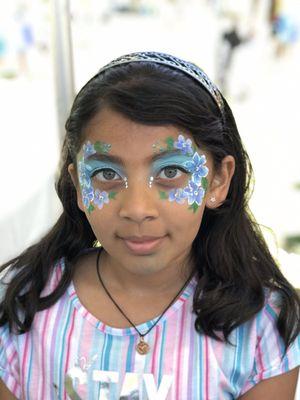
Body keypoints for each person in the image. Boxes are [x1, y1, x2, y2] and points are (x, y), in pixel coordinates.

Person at [0, 51, 299, 400]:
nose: (138, 209)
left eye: (171, 172)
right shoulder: (20, 305)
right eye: (106, 174)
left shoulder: (262, 326)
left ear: (218, 180)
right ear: (79, 187)